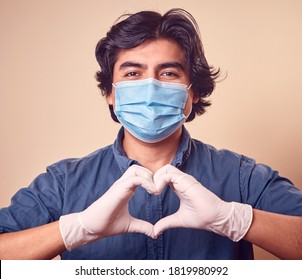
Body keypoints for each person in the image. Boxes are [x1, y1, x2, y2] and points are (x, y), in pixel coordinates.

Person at [0, 8, 302, 260]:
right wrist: (74, 229)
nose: (151, 86)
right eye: (133, 73)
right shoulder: (64, 183)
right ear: (109, 92)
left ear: (192, 91)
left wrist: (236, 220)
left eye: (168, 73)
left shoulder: (241, 176)